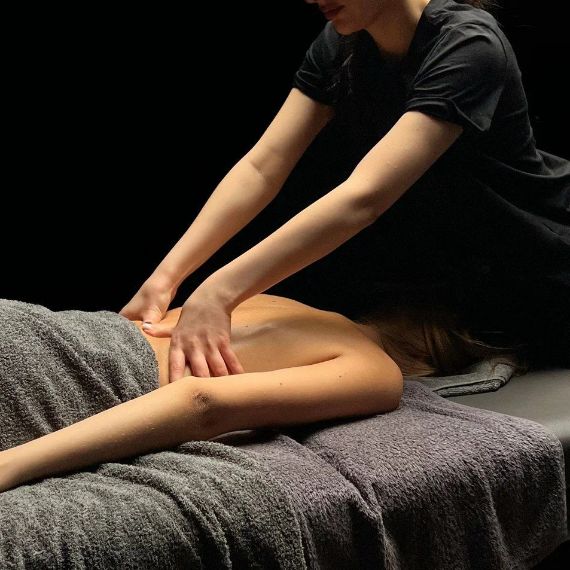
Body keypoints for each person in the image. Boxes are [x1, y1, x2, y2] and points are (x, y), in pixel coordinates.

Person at [120, 0, 570, 382]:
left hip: (543, 267)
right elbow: (262, 167)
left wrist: (218, 291)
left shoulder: (469, 45)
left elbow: (364, 196)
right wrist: (166, 278)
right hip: (459, 278)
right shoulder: (343, 43)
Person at [0, 290, 527, 493]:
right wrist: (13, 465)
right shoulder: (375, 372)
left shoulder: (277, 298)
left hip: (38, 328)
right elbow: (202, 402)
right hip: (52, 374)